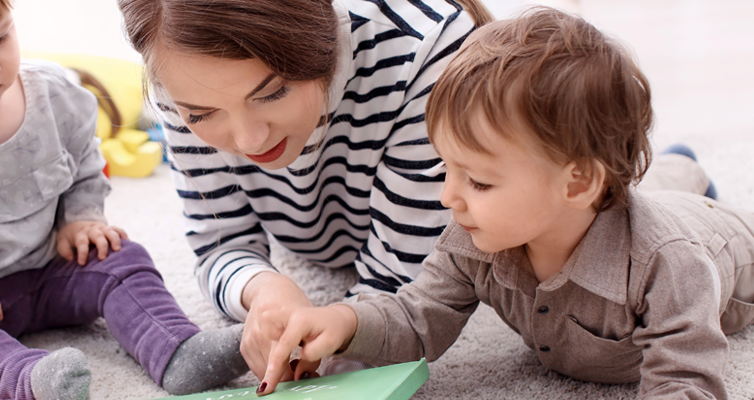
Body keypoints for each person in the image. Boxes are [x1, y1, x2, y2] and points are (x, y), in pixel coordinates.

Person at [255, 7, 754, 398]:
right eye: (445, 168)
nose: (448, 197)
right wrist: (344, 321)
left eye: (478, 182)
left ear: (578, 183)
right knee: (653, 183)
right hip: (613, 195)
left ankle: (687, 173)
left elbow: (686, 380)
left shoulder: (669, 264)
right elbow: (417, 316)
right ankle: (678, 165)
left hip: (721, 237)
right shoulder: (473, 242)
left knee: (667, 204)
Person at [0, 0, 248, 399]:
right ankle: (28, 380)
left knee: (123, 255)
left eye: (0, 37)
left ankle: (175, 350)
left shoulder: (54, 93)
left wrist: (81, 218)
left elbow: (85, 163)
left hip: (54, 267)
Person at [119, 0, 495, 379]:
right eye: (201, 114)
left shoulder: (424, 45)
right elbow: (219, 244)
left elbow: (408, 281)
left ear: (321, 36)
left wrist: (342, 341)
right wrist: (262, 291)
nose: (250, 141)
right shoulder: (177, 65)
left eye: (272, 92)